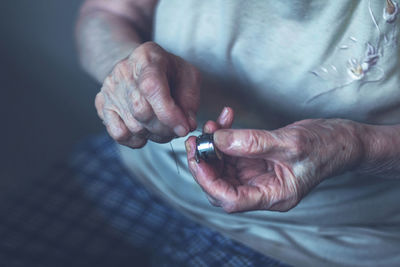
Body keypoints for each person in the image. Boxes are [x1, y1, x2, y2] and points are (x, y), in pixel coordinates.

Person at [76, 0, 400, 266]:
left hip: (322, 239)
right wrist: (126, 68)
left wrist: (355, 146)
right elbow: (107, 13)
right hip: (139, 173)